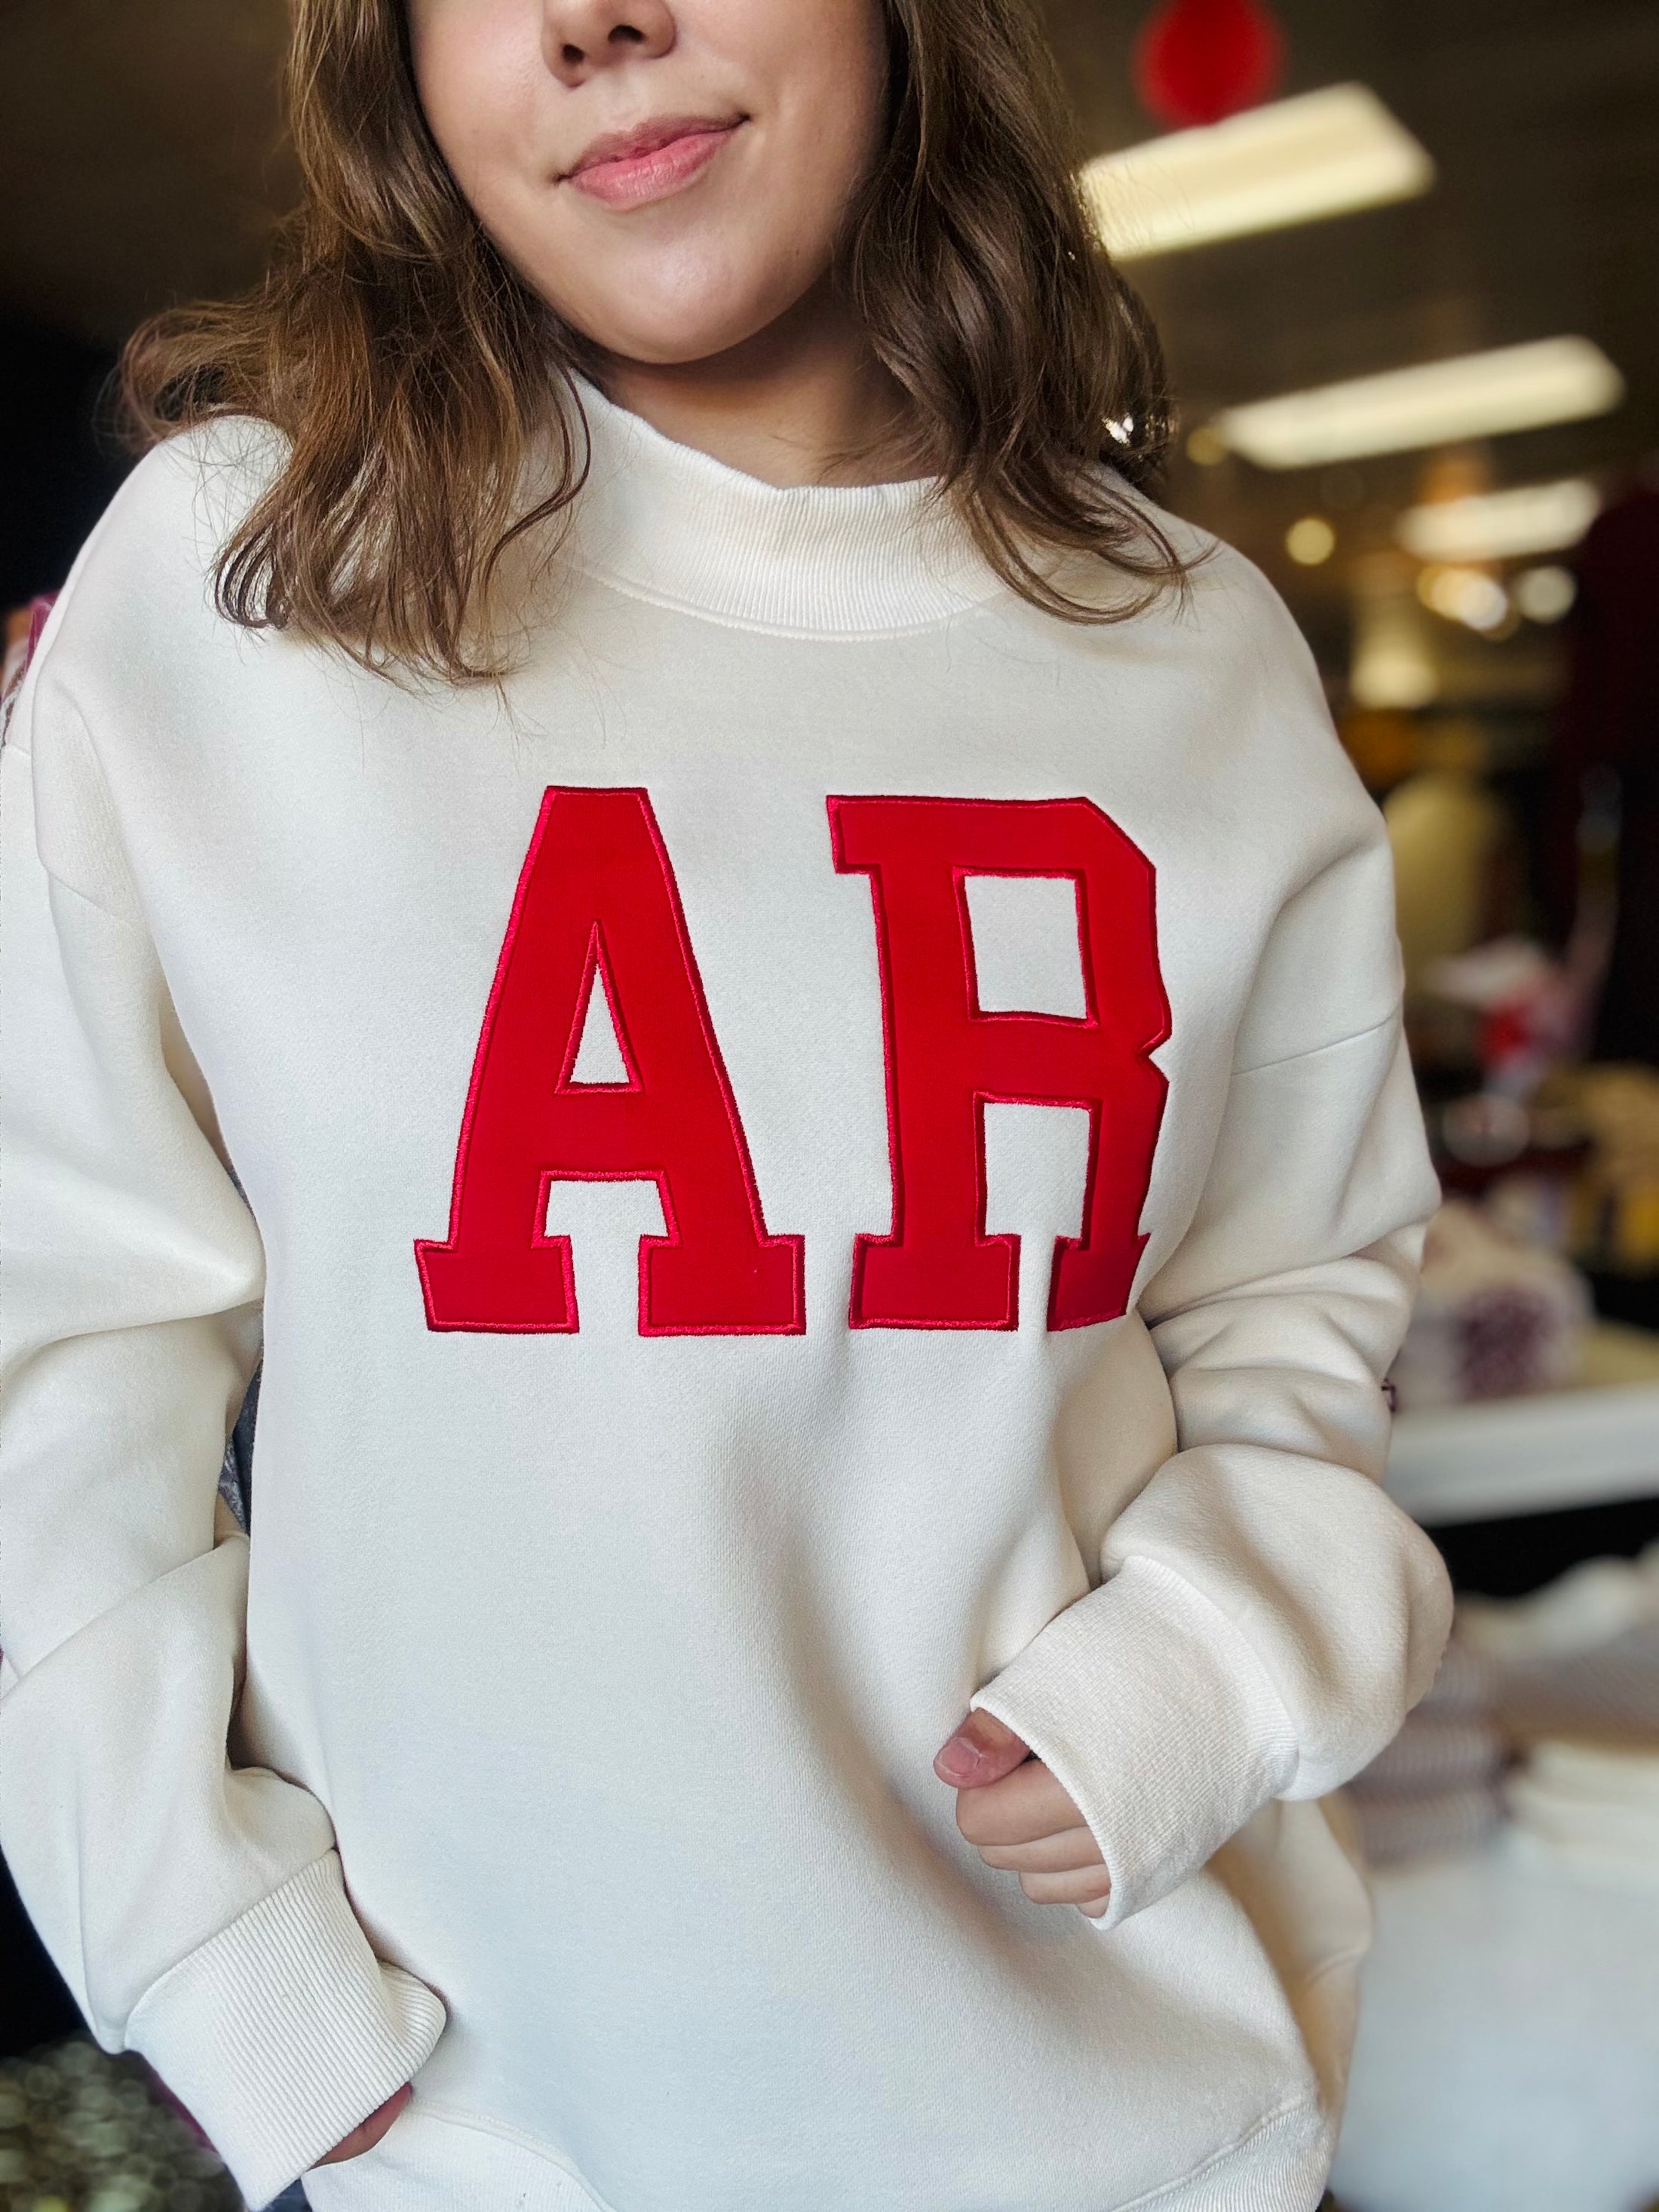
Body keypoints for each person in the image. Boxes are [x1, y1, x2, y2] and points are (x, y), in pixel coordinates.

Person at [0, 2, 1452, 2207]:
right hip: (490, 2143)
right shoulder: (240, 582)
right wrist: (207, 1950)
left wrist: (1209, 1664)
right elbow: (60, 1338)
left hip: (1126, 2117)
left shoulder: (1195, 652)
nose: (598, 20)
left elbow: (1300, 1299)